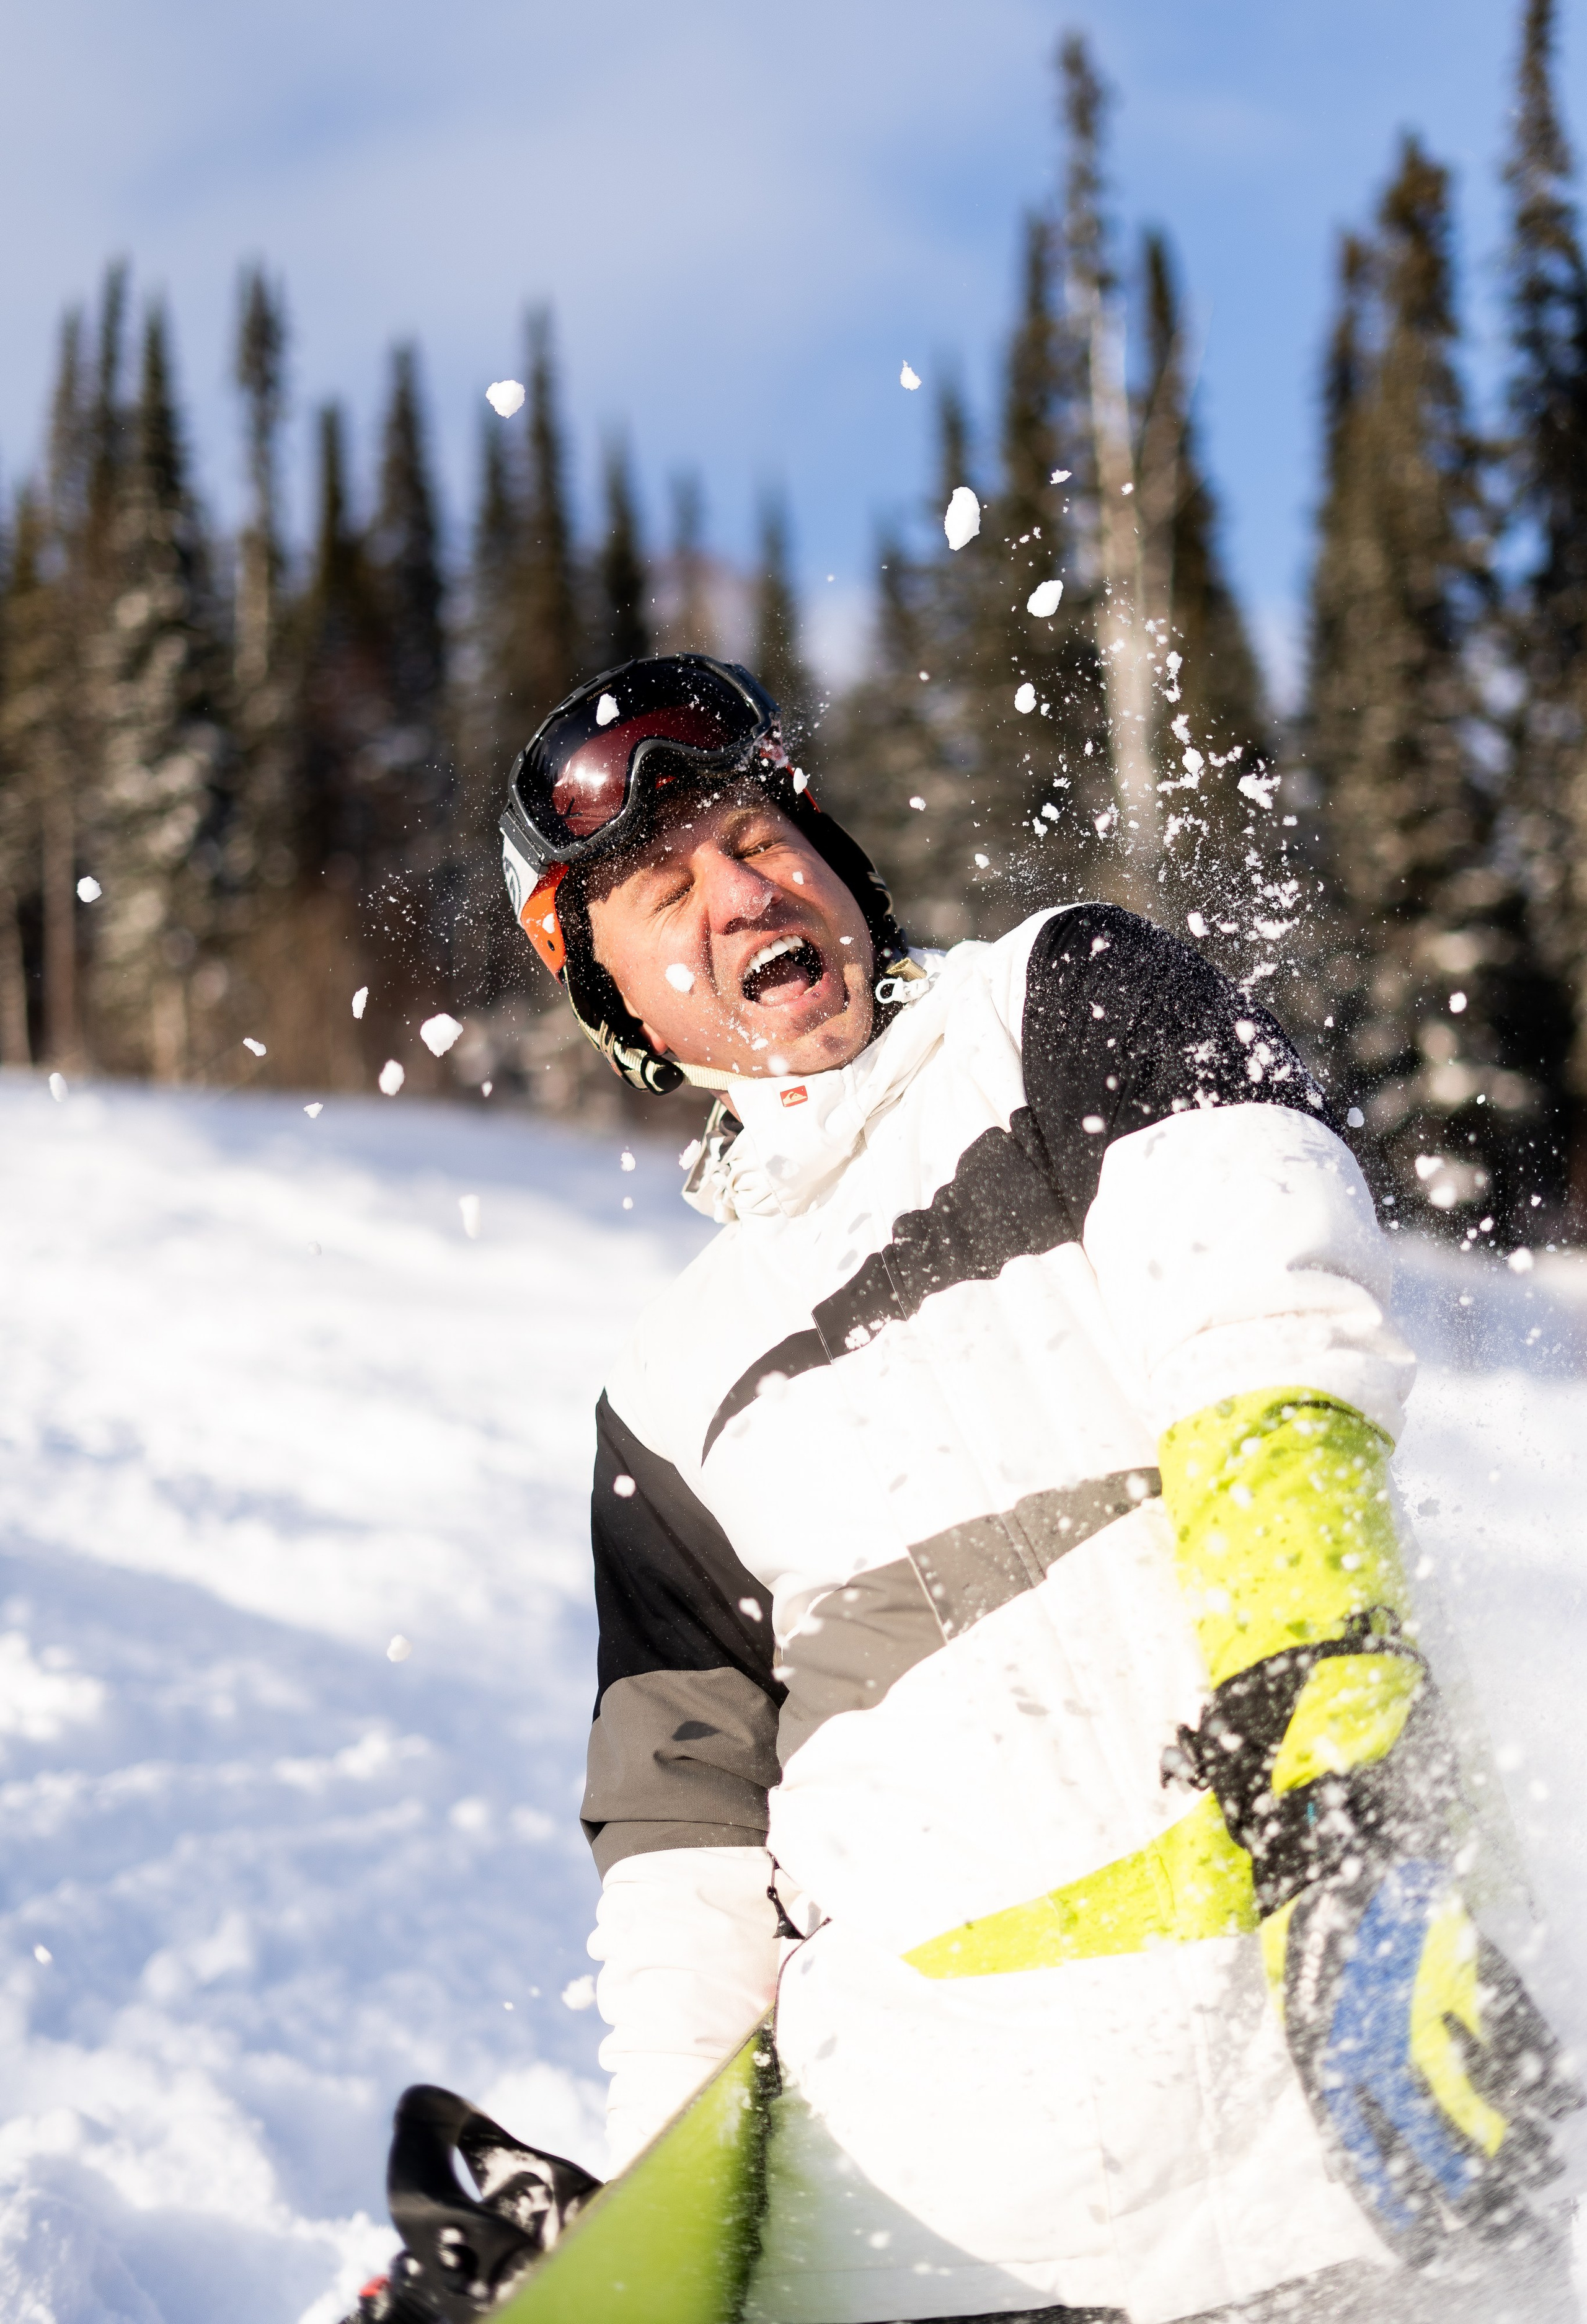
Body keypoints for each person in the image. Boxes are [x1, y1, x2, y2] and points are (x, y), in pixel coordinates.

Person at [497, 654, 1580, 2324]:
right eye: (662, 886)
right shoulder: (663, 1396)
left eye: (758, 834)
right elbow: (686, 1845)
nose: (741, 891)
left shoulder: (1065, 1002)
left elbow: (1264, 1320)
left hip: (1311, 2100)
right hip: (927, 2224)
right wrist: (654, 2211)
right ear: (614, 1000)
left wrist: (1335, 1760)